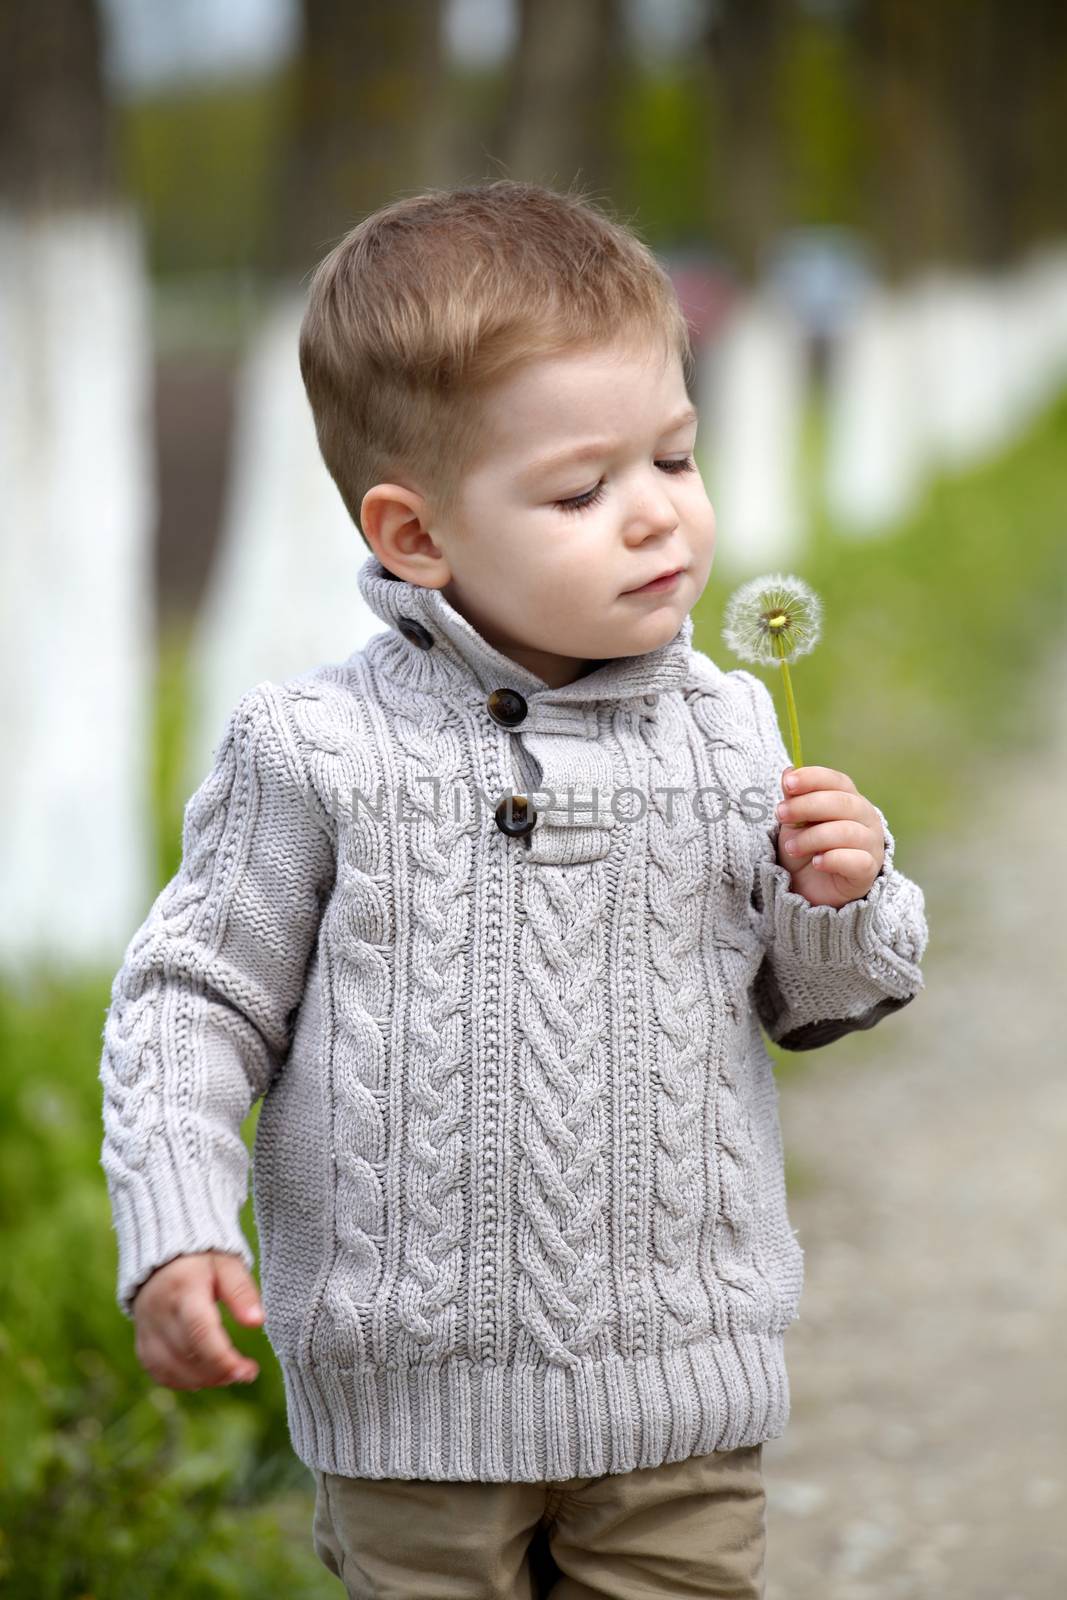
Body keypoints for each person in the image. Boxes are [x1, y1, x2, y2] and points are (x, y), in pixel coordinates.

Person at [98, 179, 928, 1599]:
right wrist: (175, 1217)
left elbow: (818, 1002)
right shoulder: (315, 751)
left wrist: (840, 896)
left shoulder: (729, 730)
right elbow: (191, 999)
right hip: (408, 1402)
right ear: (415, 536)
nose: (659, 518)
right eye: (583, 490)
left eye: (676, 456)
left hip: (681, 1387)